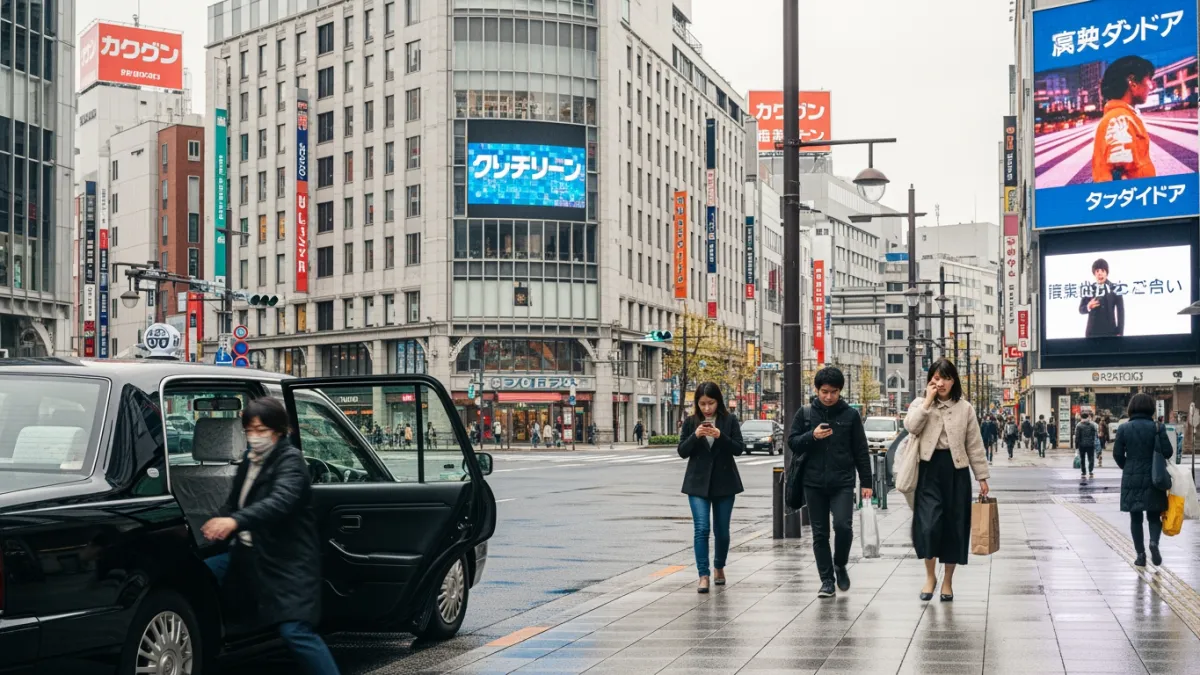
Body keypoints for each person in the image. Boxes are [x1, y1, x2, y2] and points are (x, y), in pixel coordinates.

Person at [201, 397, 340, 675]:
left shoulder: (291, 462)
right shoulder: (250, 460)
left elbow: (280, 502)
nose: (255, 437)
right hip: (246, 557)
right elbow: (236, 501)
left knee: (295, 630)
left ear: (279, 430)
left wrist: (234, 521)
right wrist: (216, 526)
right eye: (250, 430)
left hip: (287, 562)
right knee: (195, 581)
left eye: (262, 430)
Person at [904, 359, 990, 602]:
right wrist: (928, 402)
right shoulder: (921, 404)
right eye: (936, 377)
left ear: (954, 381)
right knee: (929, 526)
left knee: (954, 528)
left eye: (945, 378)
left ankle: (948, 582)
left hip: (956, 473)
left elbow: (974, 444)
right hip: (928, 471)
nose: (940, 383)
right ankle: (930, 576)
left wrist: (981, 476)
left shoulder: (965, 409)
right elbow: (911, 427)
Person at [787, 366, 873, 599]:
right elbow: (792, 442)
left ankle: (840, 563)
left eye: (833, 392)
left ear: (840, 391)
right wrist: (812, 436)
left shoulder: (850, 415)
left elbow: (861, 451)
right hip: (813, 482)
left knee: (843, 526)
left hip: (843, 481)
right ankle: (826, 580)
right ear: (816, 390)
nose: (828, 396)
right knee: (820, 533)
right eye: (824, 391)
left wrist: (867, 482)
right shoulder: (805, 414)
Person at [677, 382, 745, 594]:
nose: (707, 408)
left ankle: (719, 567)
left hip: (725, 482)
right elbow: (682, 451)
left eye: (711, 403)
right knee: (702, 528)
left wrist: (720, 436)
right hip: (697, 484)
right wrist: (695, 435)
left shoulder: (729, 420)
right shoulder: (691, 422)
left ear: (719, 402)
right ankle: (703, 575)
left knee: (722, 531)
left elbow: (738, 449)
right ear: (697, 404)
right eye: (703, 404)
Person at [1113, 393, 1174, 567]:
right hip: (1155, 476)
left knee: (1136, 517)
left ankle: (1140, 555)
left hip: (1132, 474)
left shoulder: (1124, 428)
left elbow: (1117, 453)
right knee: (1154, 516)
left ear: (1131, 408)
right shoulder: (1157, 427)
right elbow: (1168, 452)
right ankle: (1154, 542)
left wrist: (1128, 466)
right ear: (1151, 408)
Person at [1092, 55, 1157, 183]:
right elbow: (1116, 176)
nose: (1150, 87)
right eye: (1148, 81)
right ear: (1132, 82)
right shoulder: (1120, 119)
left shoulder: (1123, 115)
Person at [1078, 259, 1125, 338]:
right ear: (1094, 274)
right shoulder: (1089, 289)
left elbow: (1121, 312)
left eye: (1102, 271)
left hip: (1111, 333)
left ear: (1106, 273)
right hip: (1092, 334)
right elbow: (1081, 310)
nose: (1100, 274)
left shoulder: (1115, 289)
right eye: (1097, 271)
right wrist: (1088, 306)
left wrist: (1120, 332)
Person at [1076, 412, 1099, 485]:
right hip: (1090, 445)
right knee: (1091, 458)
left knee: (1082, 458)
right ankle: (1090, 471)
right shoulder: (1092, 425)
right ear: (1088, 417)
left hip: (1081, 445)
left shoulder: (1079, 425)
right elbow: (1095, 435)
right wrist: (1094, 443)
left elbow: (1077, 437)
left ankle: (1083, 472)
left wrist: (1076, 445)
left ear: (1081, 417)